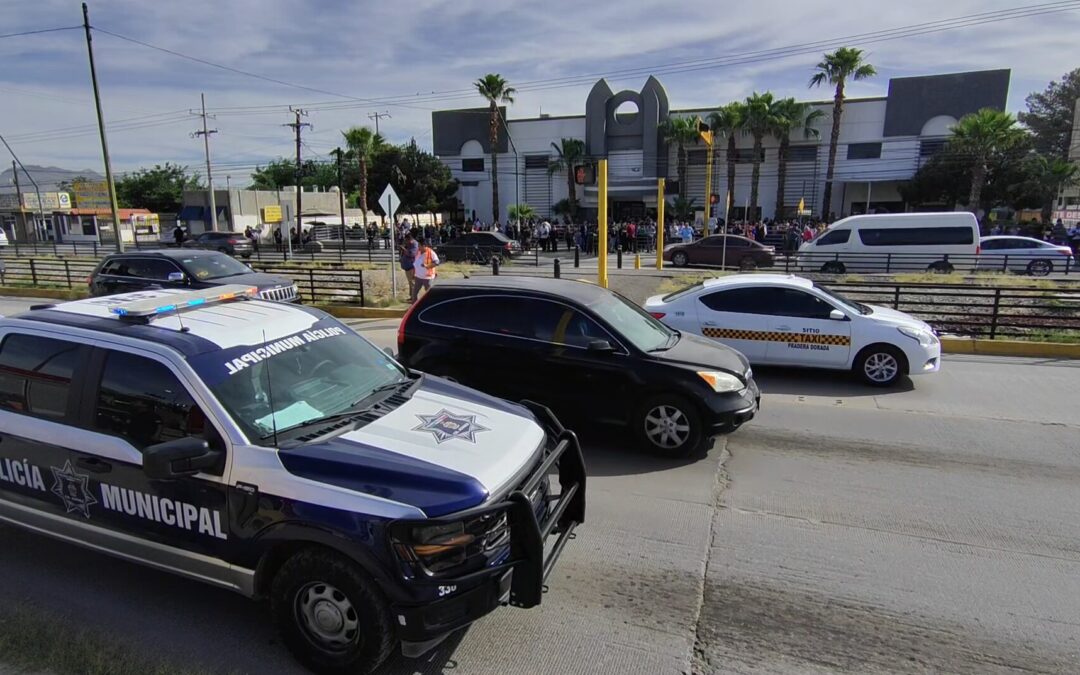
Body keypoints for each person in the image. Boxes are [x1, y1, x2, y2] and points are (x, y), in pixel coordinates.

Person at [400, 232, 419, 299]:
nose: (405, 241)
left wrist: (404, 249)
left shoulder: (414, 244)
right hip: (407, 265)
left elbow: (412, 254)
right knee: (410, 282)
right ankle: (411, 296)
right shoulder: (409, 245)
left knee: (412, 282)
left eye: (406, 240)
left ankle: (414, 297)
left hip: (411, 266)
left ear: (409, 239)